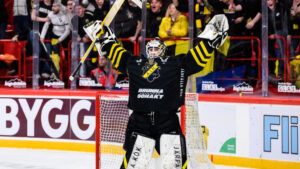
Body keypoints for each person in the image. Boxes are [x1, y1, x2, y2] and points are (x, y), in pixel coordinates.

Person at [84, 14, 229, 168]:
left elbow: (194, 59)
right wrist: (105, 40)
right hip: (139, 122)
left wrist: (209, 42)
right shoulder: (136, 63)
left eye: (156, 48)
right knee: (135, 165)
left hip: (167, 121)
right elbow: (118, 54)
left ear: (163, 51)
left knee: (175, 164)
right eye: (150, 48)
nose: (153, 51)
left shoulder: (174, 63)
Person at [40, 0, 71, 75]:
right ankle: (56, 74)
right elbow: (46, 26)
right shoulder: (50, 14)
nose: (52, 8)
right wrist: (42, 37)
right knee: (55, 56)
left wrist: (59, 40)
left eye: (55, 6)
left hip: (64, 37)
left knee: (67, 55)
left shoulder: (65, 15)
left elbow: (67, 31)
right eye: (52, 6)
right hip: (54, 36)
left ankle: (68, 73)